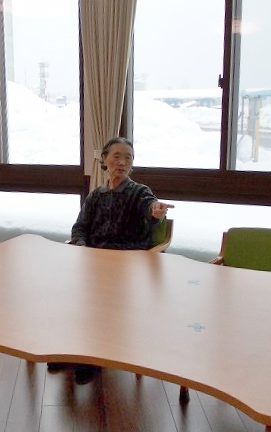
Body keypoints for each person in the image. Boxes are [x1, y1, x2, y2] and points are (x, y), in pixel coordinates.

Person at [51, 137, 174, 383]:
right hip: (94, 260)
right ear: (104, 160)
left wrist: (156, 211)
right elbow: (79, 227)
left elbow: (149, 207)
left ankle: (94, 357)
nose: (122, 162)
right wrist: (81, 247)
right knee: (67, 292)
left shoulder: (139, 192)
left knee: (99, 299)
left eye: (128, 157)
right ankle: (70, 349)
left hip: (127, 264)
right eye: (117, 156)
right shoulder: (96, 195)